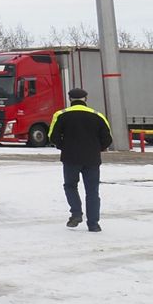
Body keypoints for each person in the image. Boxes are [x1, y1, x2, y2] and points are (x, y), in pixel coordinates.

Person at [47, 86, 113, 232]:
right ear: (86, 99)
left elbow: (52, 137)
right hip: (92, 159)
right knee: (92, 191)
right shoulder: (98, 115)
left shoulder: (61, 115)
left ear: (70, 99)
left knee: (70, 186)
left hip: (70, 158)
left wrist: (64, 146)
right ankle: (94, 224)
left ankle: (76, 214)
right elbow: (108, 139)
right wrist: (97, 148)